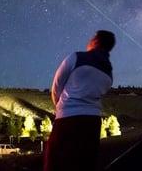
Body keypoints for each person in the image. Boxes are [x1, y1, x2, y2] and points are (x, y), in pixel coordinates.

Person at [43, 30, 116, 171]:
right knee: (84, 164)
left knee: (55, 164)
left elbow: (56, 87)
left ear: (95, 41)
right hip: (92, 123)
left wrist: (59, 109)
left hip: (68, 120)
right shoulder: (109, 75)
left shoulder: (76, 57)